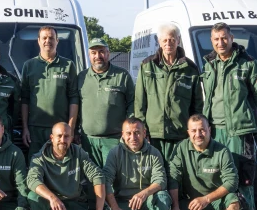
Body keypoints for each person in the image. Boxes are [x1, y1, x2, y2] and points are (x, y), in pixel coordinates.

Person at [202, 22, 257, 210]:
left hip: (239, 133)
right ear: (211, 41)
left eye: (224, 38)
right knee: (215, 178)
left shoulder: (249, 64)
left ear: (231, 38)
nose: (220, 43)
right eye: (216, 39)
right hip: (214, 132)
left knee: (243, 179)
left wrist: (244, 115)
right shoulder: (209, 64)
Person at [26, 122, 106, 210]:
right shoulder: (39, 158)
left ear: (72, 137)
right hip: (50, 204)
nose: (63, 140)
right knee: (34, 196)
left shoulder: (78, 152)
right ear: (52, 138)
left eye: (67, 136)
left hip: (73, 202)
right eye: (59, 136)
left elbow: (97, 176)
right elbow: (32, 180)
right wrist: (53, 198)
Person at [167, 114, 241, 210]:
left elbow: (232, 181)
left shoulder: (222, 151)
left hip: (217, 200)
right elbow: (173, 178)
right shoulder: (181, 148)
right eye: (194, 131)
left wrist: (206, 199)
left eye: (202, 130)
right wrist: (175, 207)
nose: (198, 134)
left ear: (209, 130)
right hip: (193, 202)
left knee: (234, 204)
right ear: (188, 132)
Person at [135, 23, 203, 166]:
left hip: (180, 134)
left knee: (177, 173)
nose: (168, 43)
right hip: (153, 134)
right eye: (165, 40)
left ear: (178, 40)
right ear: (159, 42)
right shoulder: (147, 66)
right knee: (155, 172)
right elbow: (140, 101)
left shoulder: (190, 68)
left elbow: (197, 105)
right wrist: (142, 130)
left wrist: (193, 130)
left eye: (172, 40)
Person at [103, 117, 173, 210]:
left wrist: (144, 193)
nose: (133, 137)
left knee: (163, 198)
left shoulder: (154, 152)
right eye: (129, 133)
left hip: (148, 199)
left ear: (144, 133)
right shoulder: (114, 153)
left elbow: (161, 181)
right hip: (125, 201)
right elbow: (106, 181)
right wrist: (115, 208)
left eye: (137, 132)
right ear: (123, 134)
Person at [21, 26, 79, 157]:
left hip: (61, 130)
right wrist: (25, 128)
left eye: (51, 38)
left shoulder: (68, 65)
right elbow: (24, 99)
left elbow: (74, 97)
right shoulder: (29, 66)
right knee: (35, 165)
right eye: (44, 38)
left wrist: (70, 128)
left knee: (60, 166)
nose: (48, 41)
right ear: (38, 41)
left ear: (57, 41)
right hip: (35, 130)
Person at [77, 38, 134, 167]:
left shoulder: (122, 75)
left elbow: (132, 103)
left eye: (101, 52)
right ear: (89, 55)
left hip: (114, 140)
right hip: (88, 141)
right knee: (92, 177)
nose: (98, 56)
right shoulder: (81, 77)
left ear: (108, 53)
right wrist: (75, 131)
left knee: (113, 176)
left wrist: (128, 131)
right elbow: (76, 105)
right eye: (93, 53)